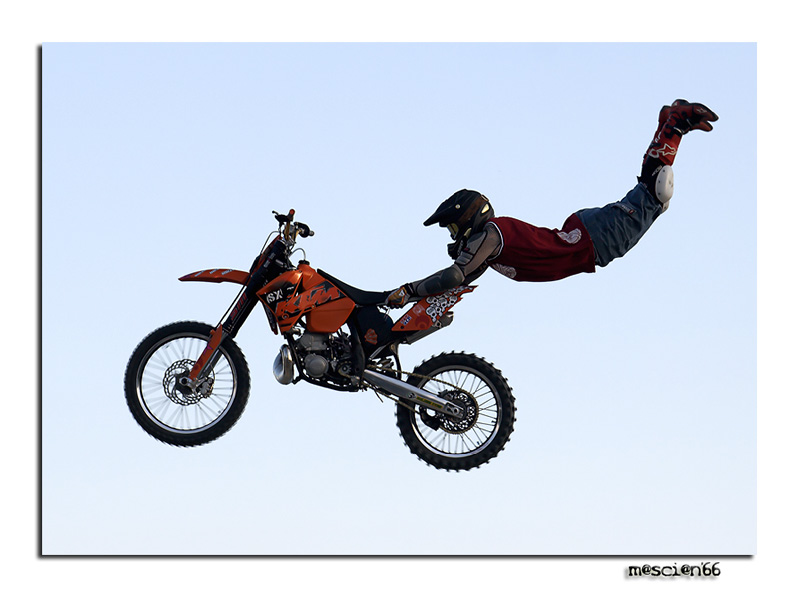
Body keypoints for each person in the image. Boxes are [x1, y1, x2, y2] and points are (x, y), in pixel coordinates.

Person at [386, 99, 719, 307]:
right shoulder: (488, 248)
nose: (453, 235)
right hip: (591, 240)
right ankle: (669, 123)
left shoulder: (490, 234)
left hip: (593, 239)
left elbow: (454, 275)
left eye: (453, 227)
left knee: (656, 192)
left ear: (469, 216)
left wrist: (408, 289)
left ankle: (674, 123)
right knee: (652, 197)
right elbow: (457, 282)